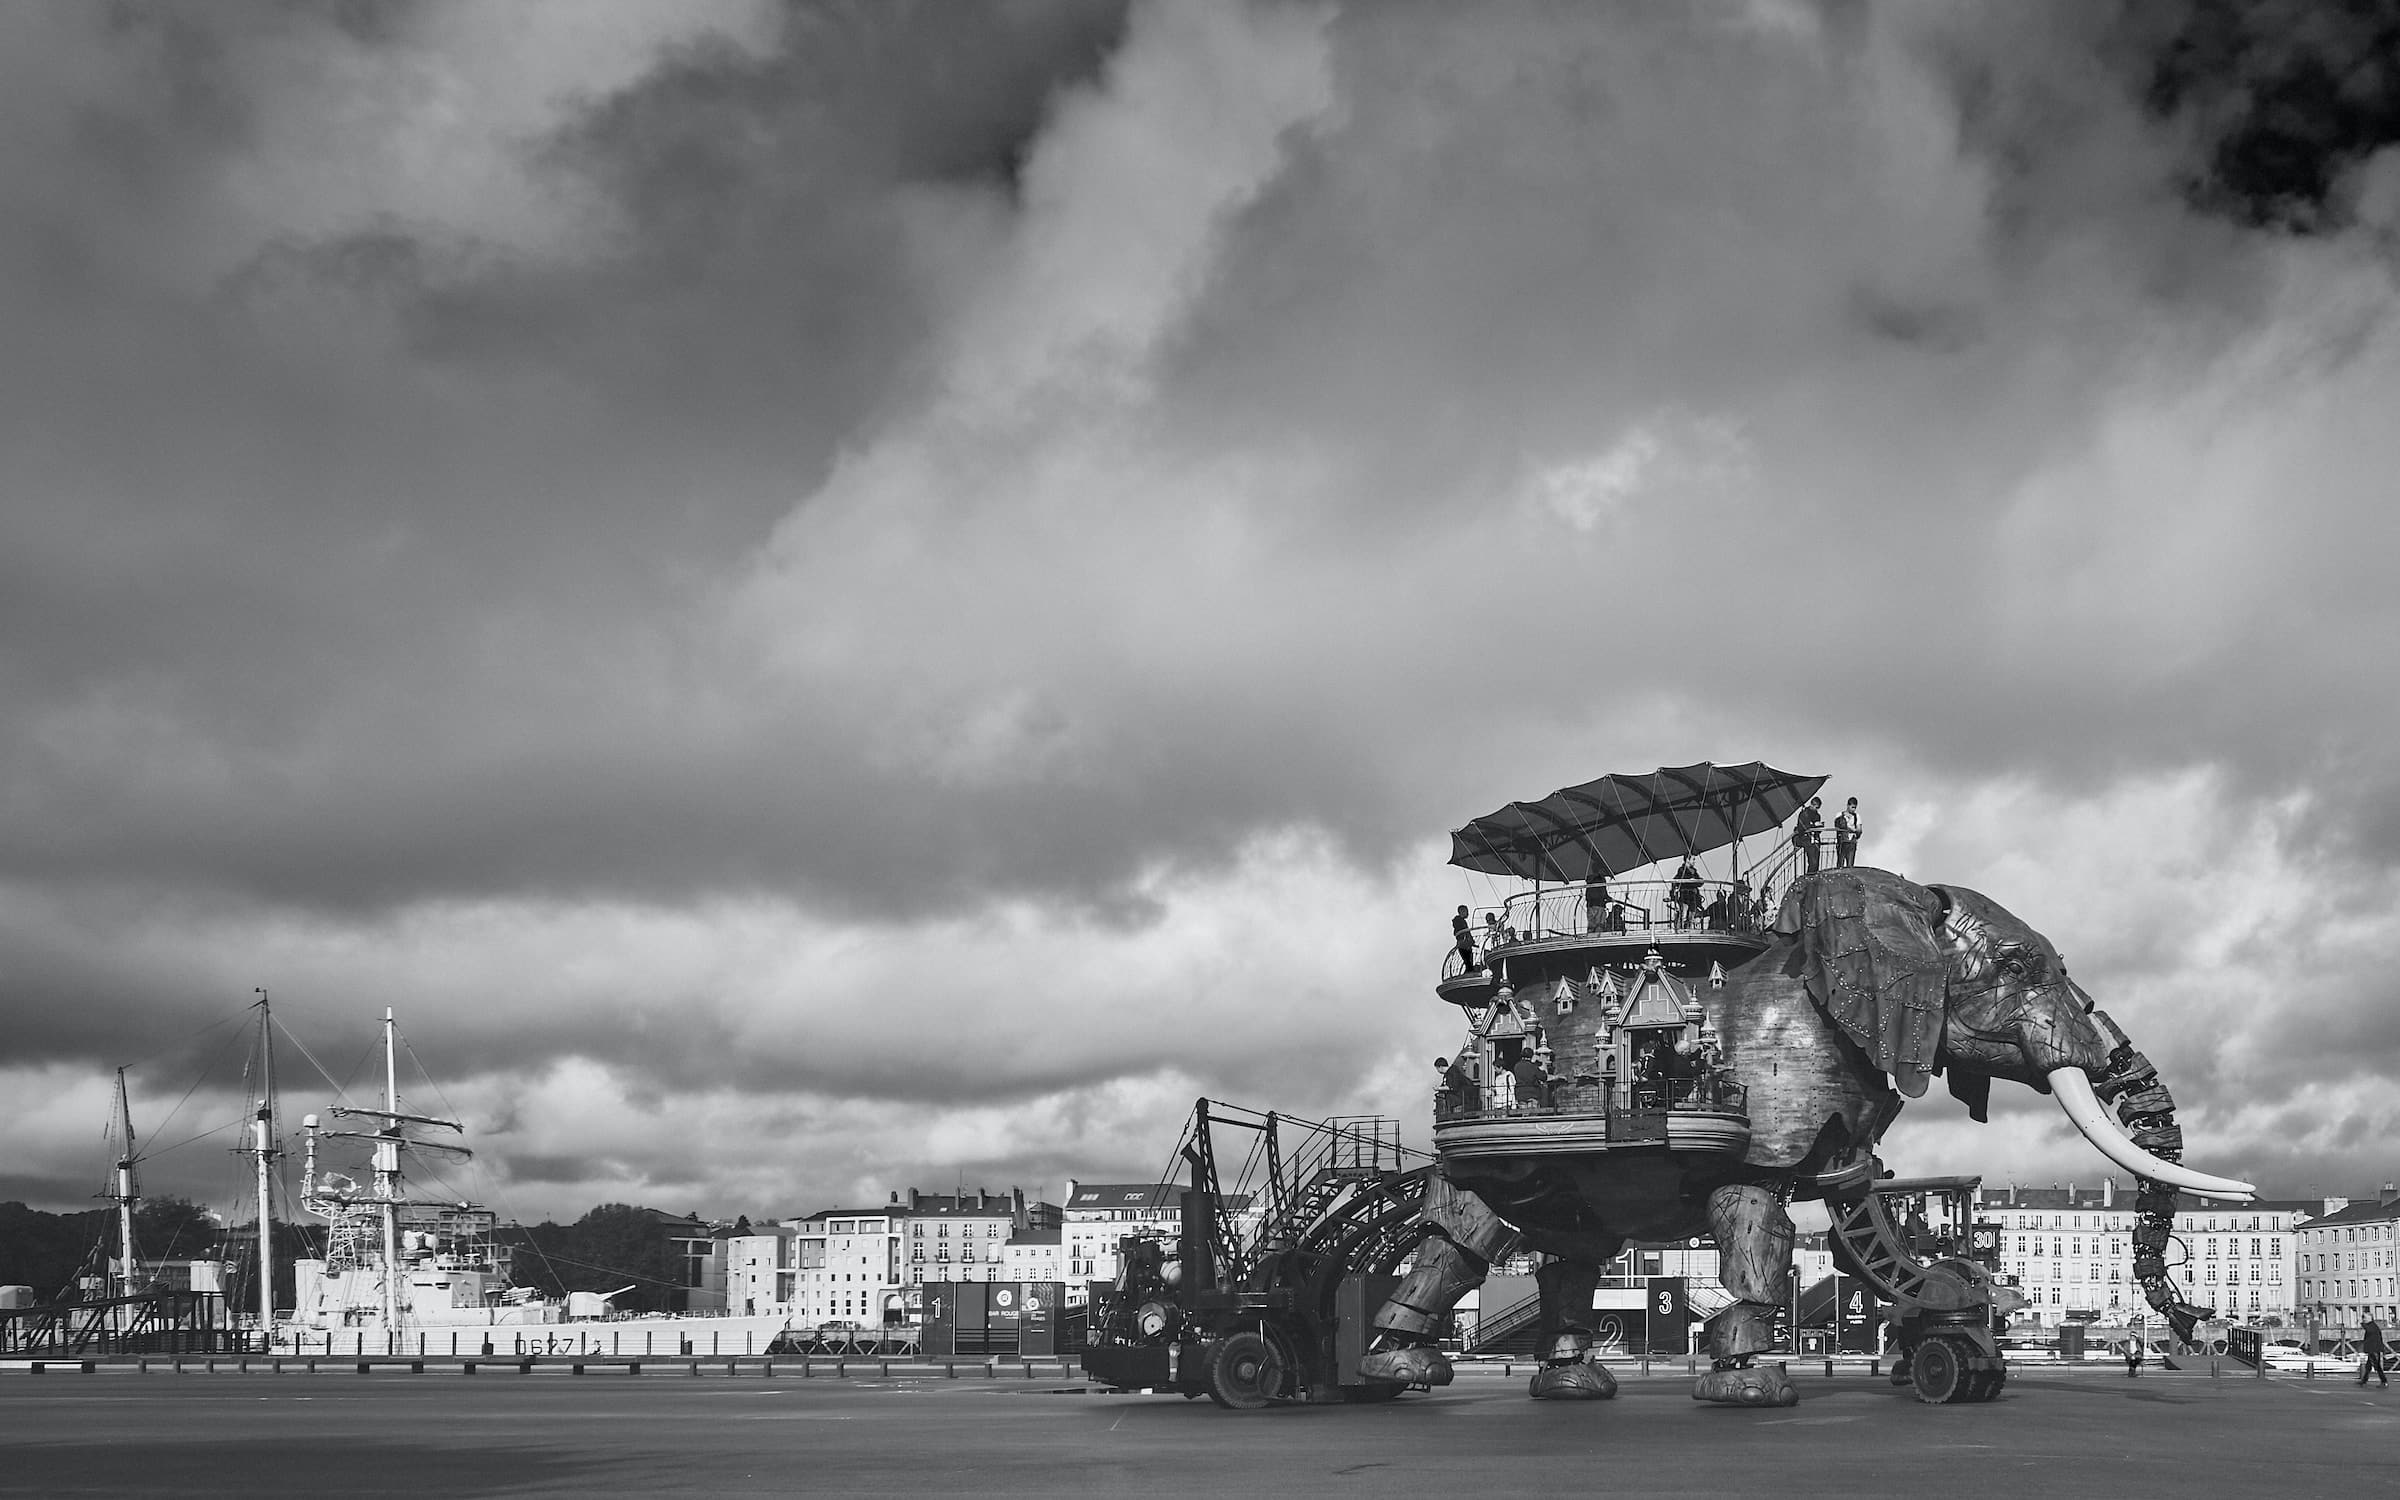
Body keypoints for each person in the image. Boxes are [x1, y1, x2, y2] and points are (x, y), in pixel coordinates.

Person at [1670, 857, 1704, 928]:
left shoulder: (1694, 871)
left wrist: (1693, 881)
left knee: (1691, 915)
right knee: (1684, 915)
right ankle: (1681, 929)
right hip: (1685, 896)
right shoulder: (1681, 870)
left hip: (1693, 896)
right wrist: (1692, 881)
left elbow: (1699, 882)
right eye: (1693, 859)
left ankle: (1689, 929)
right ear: (1687, 860)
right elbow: (1683, 880)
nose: (1694, 861)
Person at [1793, 796, 1824, 874]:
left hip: (1814, 840)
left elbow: (1816, 829)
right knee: (1812, 862)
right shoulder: (1804, 813)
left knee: (1816, 862)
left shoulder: (1817, 815)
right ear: (1812, 805)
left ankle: (1812, 876)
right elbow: (1801, 828)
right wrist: (1814, 825)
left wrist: (1819, 826)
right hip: (1806, 840)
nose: (1816, 809)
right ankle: (1809, 877)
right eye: (1816, 807)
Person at [1834, 796, 1861, 869]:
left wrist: (1856, 831)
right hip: (1842, 842)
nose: (1854, 809)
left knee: (1850, 865)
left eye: (1855, 807)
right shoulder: (1839, 815)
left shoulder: (1857, 816)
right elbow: (1836, 827)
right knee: (1840, 864)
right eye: (1852, 807)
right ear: (1848, 805)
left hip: (1852, 842)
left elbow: (1859, 829)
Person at [2361, 1318, 2390, 1386]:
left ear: (2369, 1319)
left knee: (2377, 1366)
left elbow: (2369, 1330)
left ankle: (2384, 1381)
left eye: (2365, 1318)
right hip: (2373, 1349)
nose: (2363, 1319)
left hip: (2374, 1349)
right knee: (2368, 1366)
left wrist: (2362, 1324)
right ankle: (2364, 1380)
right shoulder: (2373, 1326)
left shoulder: (2372, 1326)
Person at [1452, 904, 1478, 972]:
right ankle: (1469, 971)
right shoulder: (1458, 920)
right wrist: (1463, 937)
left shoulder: (1462, 921)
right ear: (1462, 911)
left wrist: (1472, 942)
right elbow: (1458, 931)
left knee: (1468, 961)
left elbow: (1466, 932)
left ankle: (1469, 971)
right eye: (1466, 911)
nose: (1468, 913)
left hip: (1466, 944)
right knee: (1467, 961)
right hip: (1464, 945)